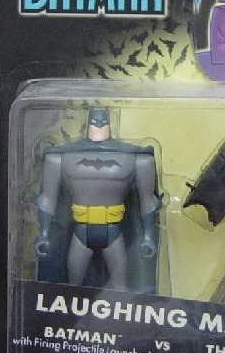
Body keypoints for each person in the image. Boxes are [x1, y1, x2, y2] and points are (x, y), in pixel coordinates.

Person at [34, 108, 161, 291]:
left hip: (113, 230)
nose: (99, 124)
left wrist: (148, 237)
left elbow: (148, 201)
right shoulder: (59, 157)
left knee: (120, 286)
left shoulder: (138, 159)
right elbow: (47, 199)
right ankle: (68, 309)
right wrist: (44, 234)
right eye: (95, 121)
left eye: (102, 121)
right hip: (81, 230)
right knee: (73, 287)